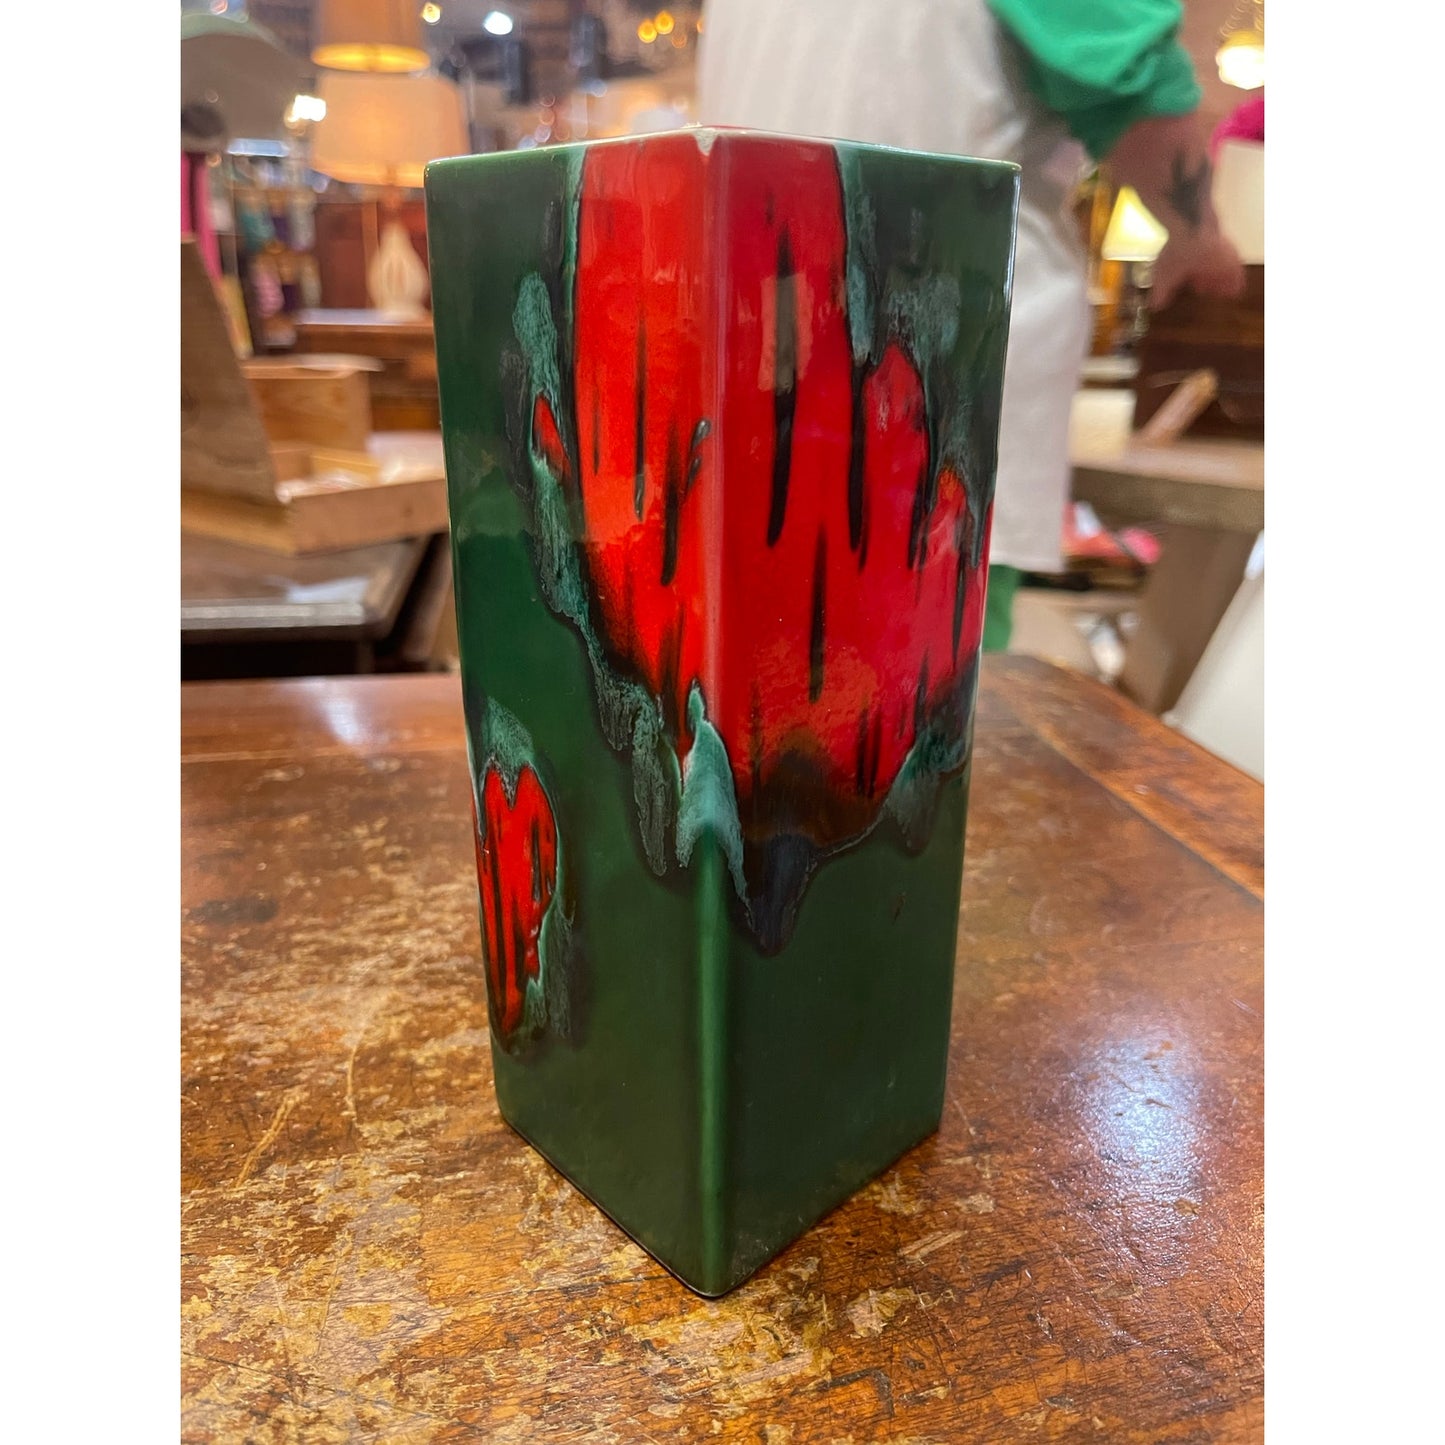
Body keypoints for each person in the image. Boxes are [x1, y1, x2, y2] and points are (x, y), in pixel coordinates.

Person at [698, 0, 1243, 650]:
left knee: (774, 649)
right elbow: (1134, 87)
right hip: (947, 373)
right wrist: (1198, 239)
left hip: (758, 351)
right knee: (935, 662)